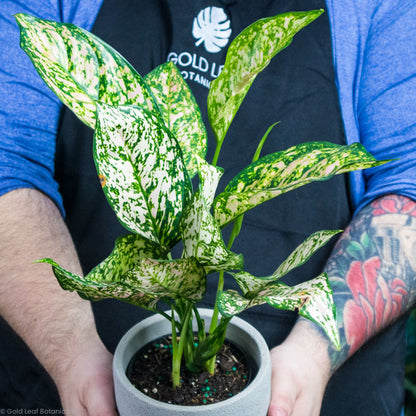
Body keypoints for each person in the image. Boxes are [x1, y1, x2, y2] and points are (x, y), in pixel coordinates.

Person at [1, 0, 416, 415]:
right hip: (66, 388)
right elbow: (8, 164)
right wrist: (73, 354)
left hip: (317, 387)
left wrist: (314, 353)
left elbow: (408, 185)